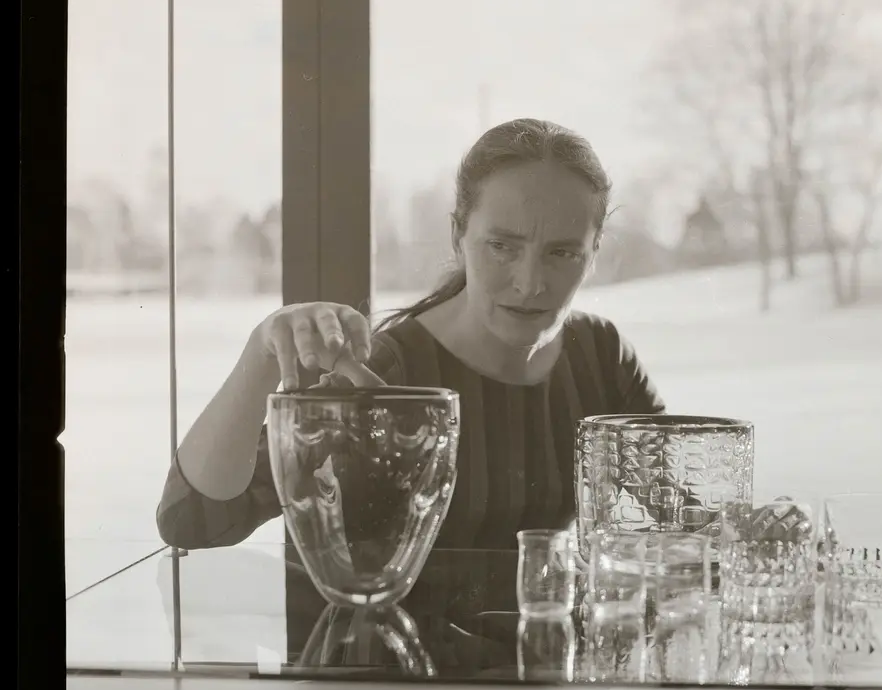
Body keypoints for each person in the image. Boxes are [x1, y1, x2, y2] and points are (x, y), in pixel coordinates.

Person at [156, 118, 666, 557]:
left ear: (594, 253)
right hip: (382, 644)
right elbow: (193, 521)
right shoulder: (385, 370)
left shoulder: (601, 354)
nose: (530, 283)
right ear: (458, 236)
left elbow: (676, 511)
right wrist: (262, 350)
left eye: (562, 253)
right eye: (501, 246)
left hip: (540, 639)